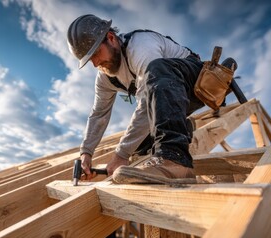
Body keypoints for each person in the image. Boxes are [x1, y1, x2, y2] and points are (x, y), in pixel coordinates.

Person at [67, 14, 205, 184]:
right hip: (167, 99)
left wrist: (121, 154)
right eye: (90, 60)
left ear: (110, 38)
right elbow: (98, 114)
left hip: (195, 82)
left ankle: (175, 159)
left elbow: (147, 101)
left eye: (96, 54)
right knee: (138, 144)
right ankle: (181, 130)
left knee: (156, 69)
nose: (95, 64)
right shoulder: (104, 78)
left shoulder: (140, 46)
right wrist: (86, 153)